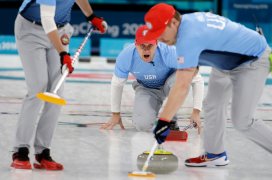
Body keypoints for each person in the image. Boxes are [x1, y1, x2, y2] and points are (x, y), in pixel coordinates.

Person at [143, 3, 272, 176]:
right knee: (213, 105)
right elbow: (192, 67)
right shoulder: (188, 24)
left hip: (252, 61)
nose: (159, 39)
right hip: (225, 64)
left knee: (242, 120)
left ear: (172, 23)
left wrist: (164, 121)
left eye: (160, 32)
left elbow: (182, 85)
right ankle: (215, 155)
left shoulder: (189, 35)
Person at [12, 0, 107, 170]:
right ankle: (20, 150)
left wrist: (91, 16)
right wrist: (63, 53)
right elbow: (47, 18)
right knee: (37, 87)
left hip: (60, 30)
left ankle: (43, 151)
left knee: (56, 93)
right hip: (31, 30)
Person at [100, 25, 204, 133]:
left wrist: (196, 112)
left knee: (181, 77)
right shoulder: (125, 57)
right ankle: (151, 112)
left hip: (170, 84)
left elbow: (197, 79)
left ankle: (171, 121)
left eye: (150, 45)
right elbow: (117, 84)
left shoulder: (170, 52)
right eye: (142, 46)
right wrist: (115, 114)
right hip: (147, 89)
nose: (146, 50)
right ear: (136, 44)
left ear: (157, 43)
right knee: (142, 125)